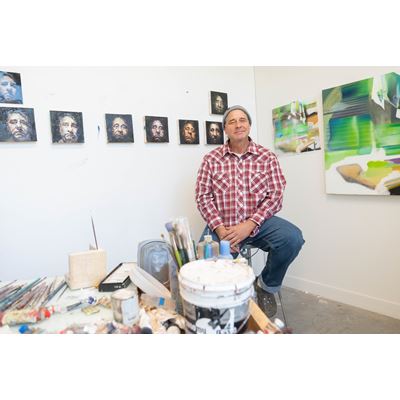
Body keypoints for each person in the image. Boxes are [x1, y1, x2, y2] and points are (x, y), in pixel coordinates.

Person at [195, 105, 304, 318]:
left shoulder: (267, 157)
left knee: (292, 238)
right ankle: (221, 314)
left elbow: (275, 195)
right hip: (222, 227)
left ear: (249, 125)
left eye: (242, 120)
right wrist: (219, 229)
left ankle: (266, 286)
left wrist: (250, 225)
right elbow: (202, 197)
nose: (238, 125)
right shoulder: (211, 159)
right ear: (225, 128)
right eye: (232, 121)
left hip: (258, 224)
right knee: (205, 270)